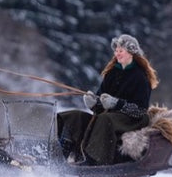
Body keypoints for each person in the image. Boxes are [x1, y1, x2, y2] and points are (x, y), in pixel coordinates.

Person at [57, 34, 159, 165]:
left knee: (105, 120)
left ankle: (93, 160)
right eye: (116, 50)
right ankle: (61, 152)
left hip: (133, 120)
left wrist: (117, 104)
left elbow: (140, 110)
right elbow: (100, 104)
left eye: (121, 50)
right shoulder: (112, 73)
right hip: (108, 117)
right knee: (75, 116)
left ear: (131, 52)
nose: (117, 53)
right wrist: (93, 103)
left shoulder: (140, 77)